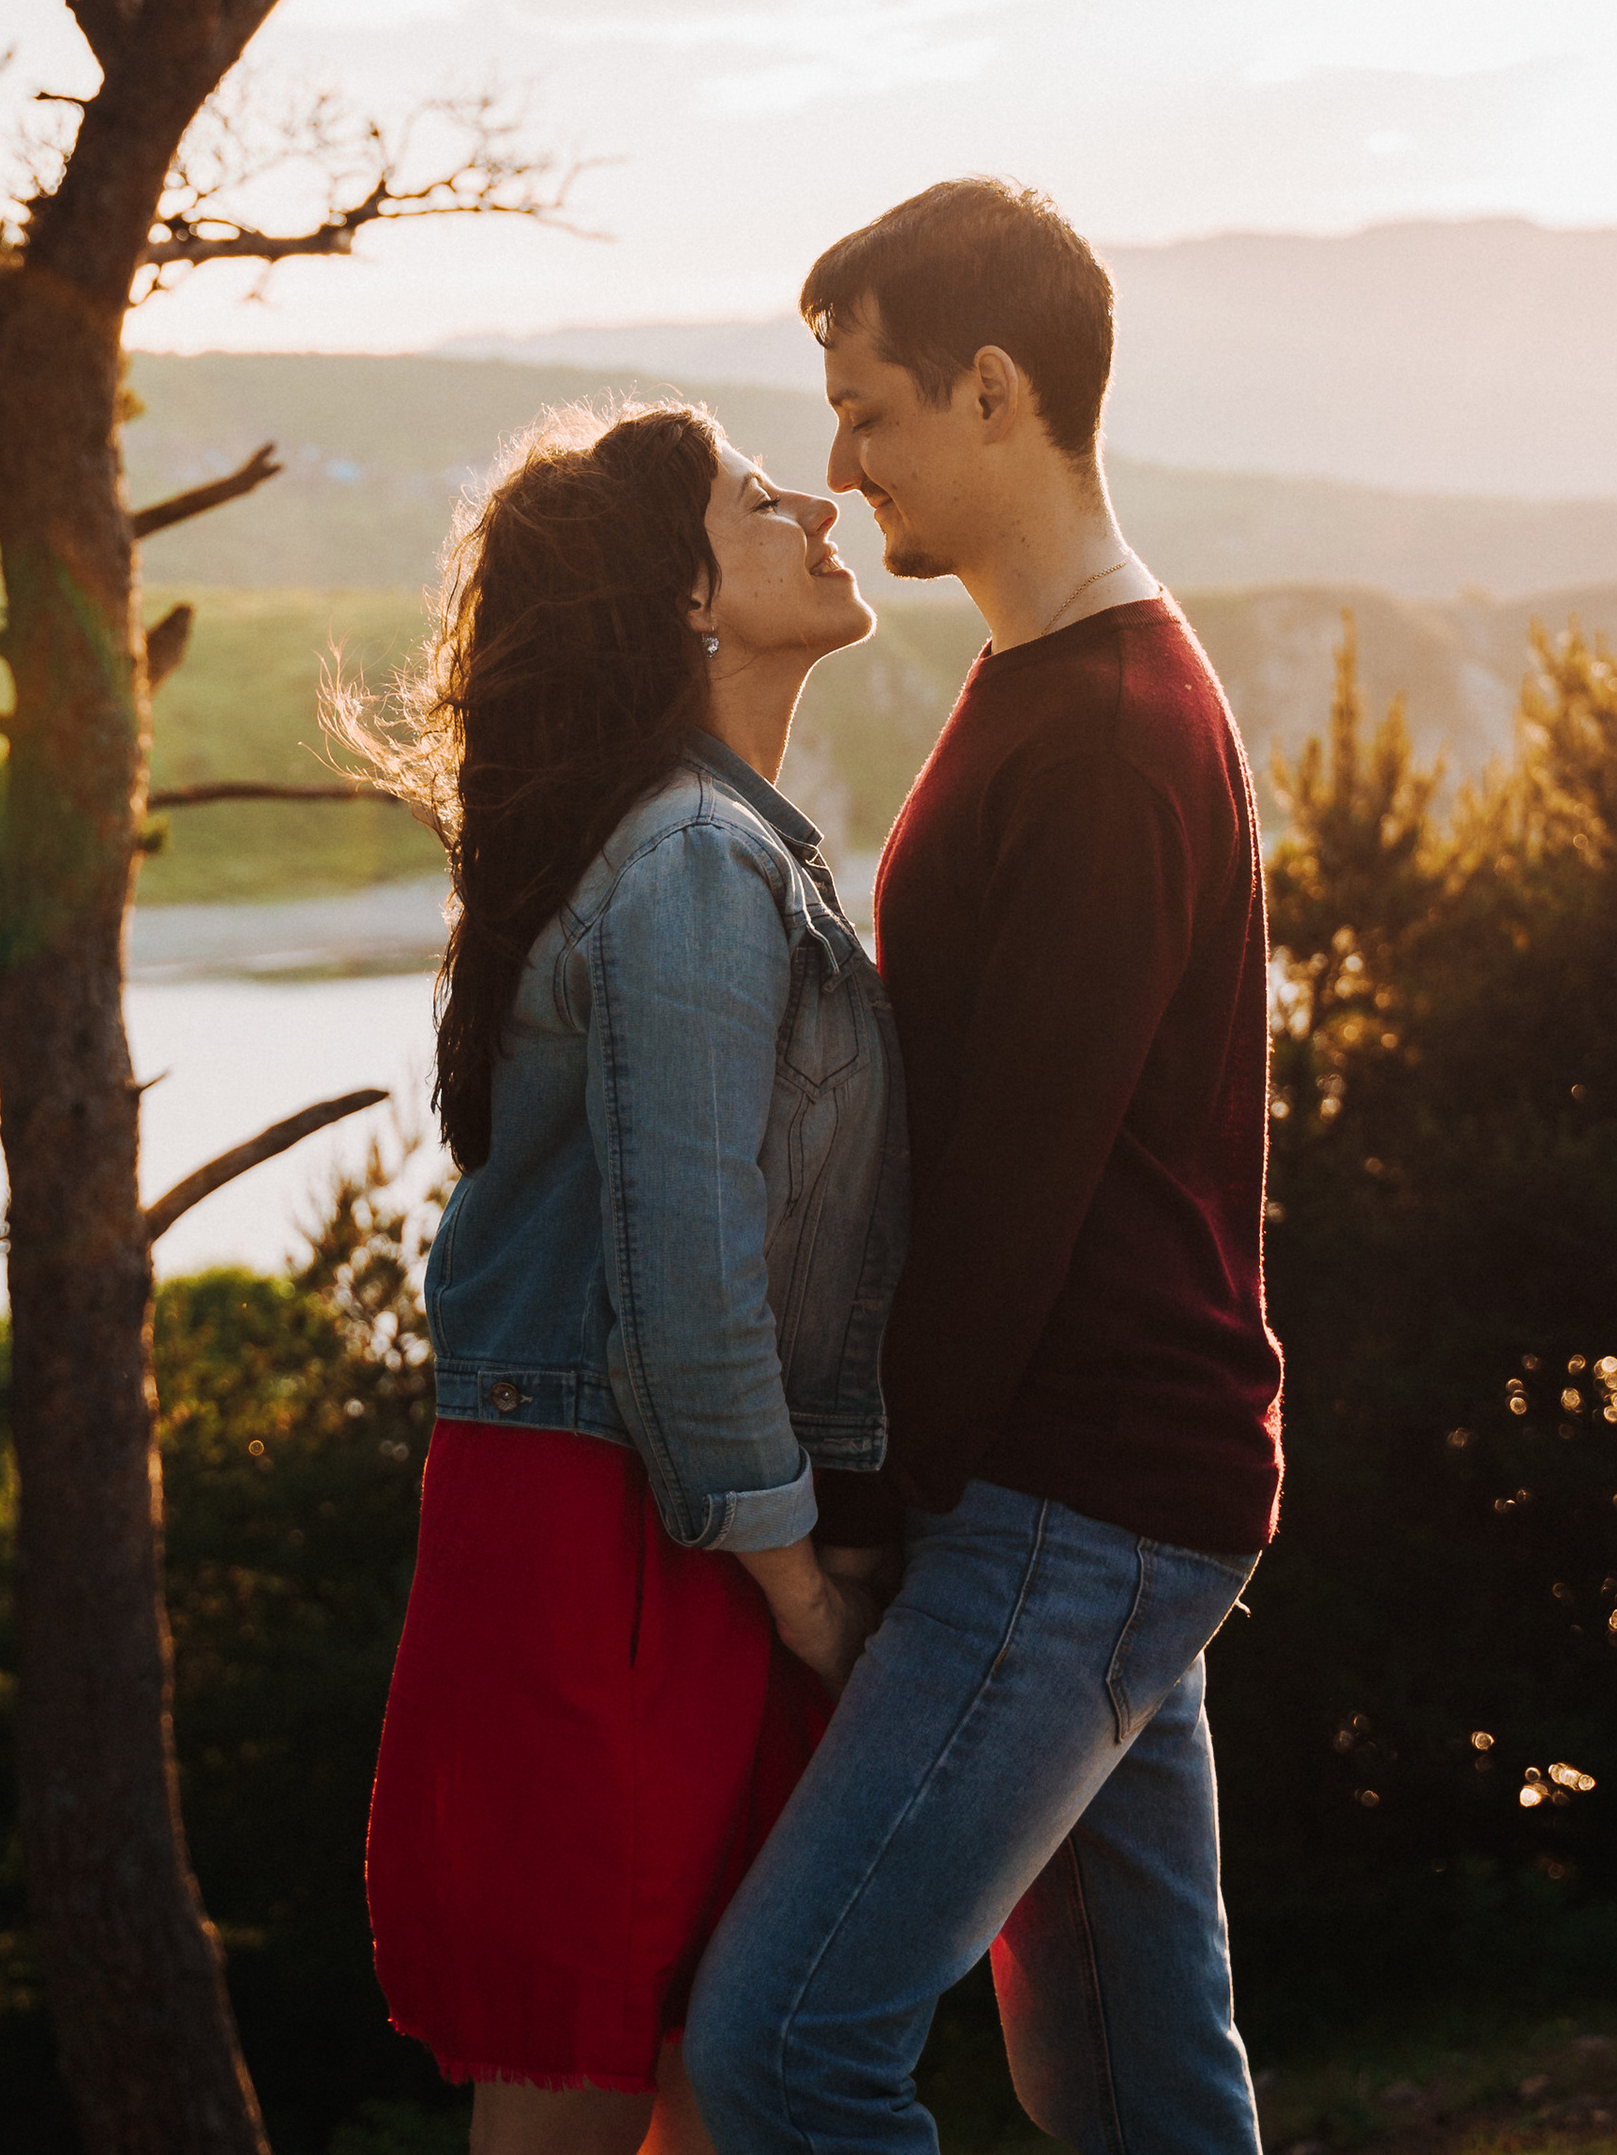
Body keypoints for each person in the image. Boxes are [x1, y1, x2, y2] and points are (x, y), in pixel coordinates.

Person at [684, 177, 1284, 2155]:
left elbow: (1006, 1200)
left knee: (780, 2048)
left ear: (998, 390)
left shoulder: (1103, 727)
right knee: (1125, 2084)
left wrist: (861, 1512)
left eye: (868, 411)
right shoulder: (1055, 680)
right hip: (1101, 1489)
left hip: (1065, 1503)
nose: (842, 469)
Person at [354, 399, 910, 2155]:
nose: (818, 501)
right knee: (583, 2089)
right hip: (620, 1534)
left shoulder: (712, 845)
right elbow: (693, 1288)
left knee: (692, 2078)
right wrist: (810, 1601)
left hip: (642, 1516)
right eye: (757, 498)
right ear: (688, 601)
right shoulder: (687, 863)